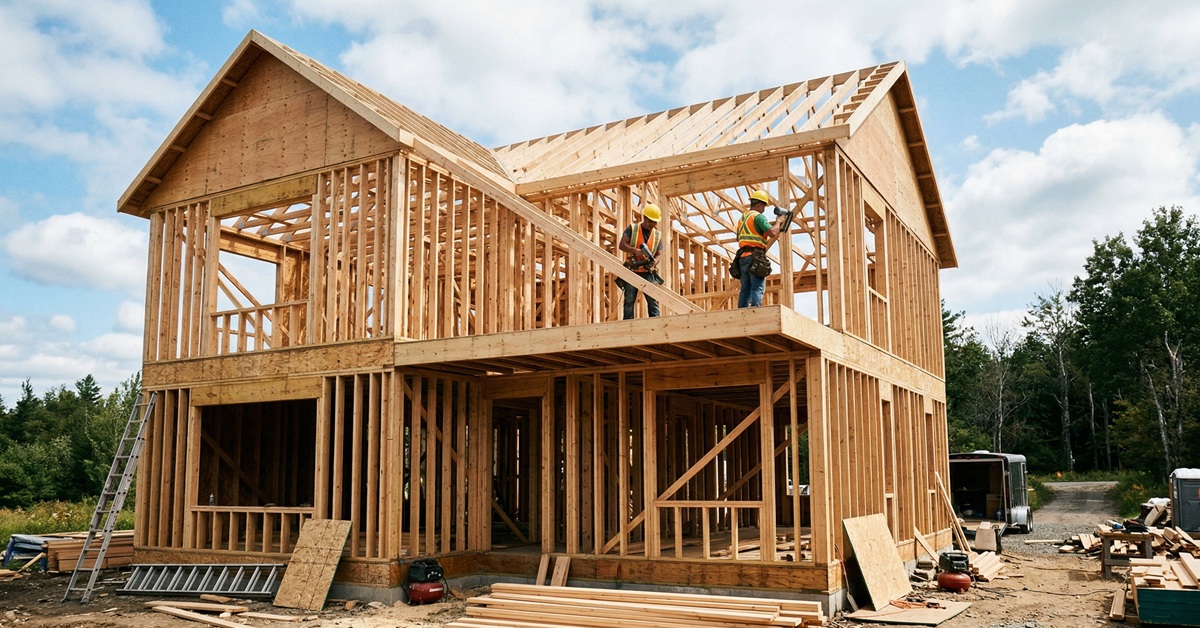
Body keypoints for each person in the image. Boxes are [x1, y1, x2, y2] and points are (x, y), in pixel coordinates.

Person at [735, 189, 787, 308]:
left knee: (745, 288)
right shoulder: (758, 217)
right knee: (757, 287)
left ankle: (741, 313)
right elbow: (772, 232)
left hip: (743, 257)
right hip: (755, 257)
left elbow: (739, 237)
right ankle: (755, 311)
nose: (764, 209)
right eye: (763, 206)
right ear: (759, 204)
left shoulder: (742, 219)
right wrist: (778, 221)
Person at [617, 203, 663, 319]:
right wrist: (635, 251)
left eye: (655, 222)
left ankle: (655, 323)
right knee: (629, 300)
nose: (653, 224)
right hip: (632, 269)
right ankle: (628, 324)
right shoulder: (633, 229)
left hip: (648, 271)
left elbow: (659, 254)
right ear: (644, 218)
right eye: (651, 221)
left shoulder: (657, 235)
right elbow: (622, 245)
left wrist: (654, 262)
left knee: (653, 300)